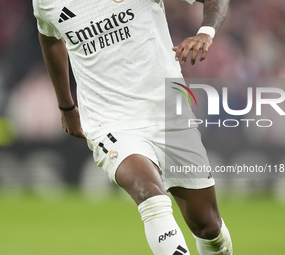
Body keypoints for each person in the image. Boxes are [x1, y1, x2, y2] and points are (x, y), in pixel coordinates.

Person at [33, 0, 232, 254]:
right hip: (109, 121)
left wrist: (205, 32)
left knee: (207, 227)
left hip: (167, 112)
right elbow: (49, 37)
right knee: (150, 196)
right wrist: (66, 106)